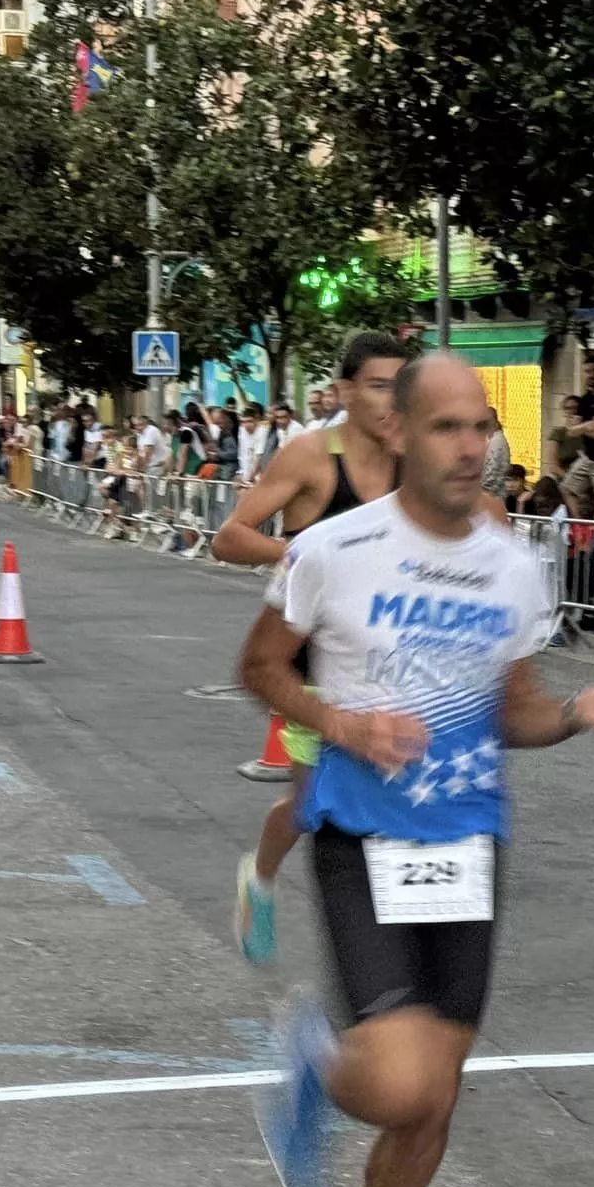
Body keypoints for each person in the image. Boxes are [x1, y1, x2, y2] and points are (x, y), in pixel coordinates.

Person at [239, 352, 594, 1187]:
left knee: (438, 1092)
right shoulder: (333, 549)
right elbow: (258, 667)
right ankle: (311, 1059)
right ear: (398, 433)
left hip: (466, 842)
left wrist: (577, 711)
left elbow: (514, 710)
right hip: (360, 832)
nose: (471, 446)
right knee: (397, 1082)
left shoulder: (514, 565)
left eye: (481, 427)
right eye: (446, 427)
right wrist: (336, 720)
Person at [212, 332, 414, 966]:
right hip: (313, 671)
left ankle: (397, 941)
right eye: (379, 385)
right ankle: (261, 877)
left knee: (401, 797)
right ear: (347, 390)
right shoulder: (310, 457)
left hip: (397, 663)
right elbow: (230, 537)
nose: (392, 401)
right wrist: (301, 553)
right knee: (310, 805)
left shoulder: (414, 460)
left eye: (401, 387)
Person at [557, 357, 594, 519]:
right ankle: (579, 524)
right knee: (566, 489)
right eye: (587, 371)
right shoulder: (585, 400)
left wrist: (582, 427)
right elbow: (571, 431)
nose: (591, 375)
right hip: (588, 458)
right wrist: (588, 426)